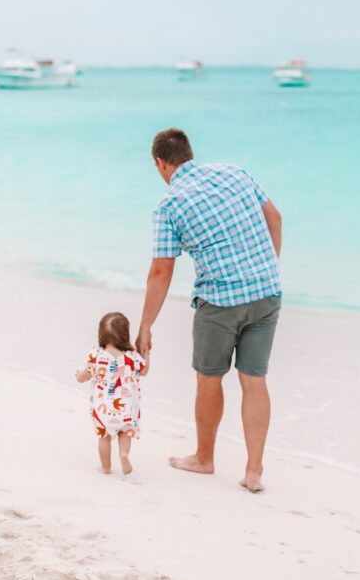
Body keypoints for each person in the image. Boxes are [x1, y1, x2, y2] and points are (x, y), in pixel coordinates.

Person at [136, 128, 282, 493]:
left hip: (219, 302)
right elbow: (275, 219)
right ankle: (253, 471)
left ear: (161, 163)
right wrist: (264, 269)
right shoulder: (236, 172)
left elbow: (161, 270)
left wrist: (145, 326)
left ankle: (204, 458)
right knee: (254, 380)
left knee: (209, 377)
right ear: (189, 153)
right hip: (266, 292)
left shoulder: (169, 205)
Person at [76, 311, 149, 476]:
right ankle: (124, 455)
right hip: (127, 407)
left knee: (104, 436)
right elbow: (144, 371)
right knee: (125, 431)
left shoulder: (96, 355)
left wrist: (78, 375)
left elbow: (84, 376)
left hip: (103, 408)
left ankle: (106, 467)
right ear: (125, 336)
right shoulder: (132, 357)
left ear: (101, 334)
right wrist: (146, 354)